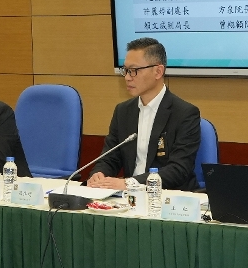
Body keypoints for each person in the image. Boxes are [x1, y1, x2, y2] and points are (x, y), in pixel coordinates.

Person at [86, 38, 202, 192]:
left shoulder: (185, 113)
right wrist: (99, 174)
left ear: (158, 71)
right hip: (130, 197)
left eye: (134, 70)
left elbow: (178, 169)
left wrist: (130, 183)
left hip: (169, 195)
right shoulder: (123, 111)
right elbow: (110, 158)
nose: (127, 77)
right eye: (125, 70)